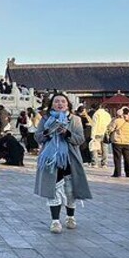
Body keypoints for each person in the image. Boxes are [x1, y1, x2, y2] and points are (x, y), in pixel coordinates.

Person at [35, 93, 92, 233]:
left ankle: (70, 217)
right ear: (51, 104)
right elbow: (38, 136)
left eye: (63, 102)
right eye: (56, 102)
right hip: (50, 160)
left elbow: (80, 139)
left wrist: (66, 133)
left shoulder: (75, 120)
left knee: (70, 189)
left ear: (68, 105)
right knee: (53, 190)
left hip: (70, 158)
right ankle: (55, 221)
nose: (60, 104)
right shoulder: (45, 119)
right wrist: (48, 132)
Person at [106, 107, 129, 178]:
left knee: (117, 158)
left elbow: (110, 129)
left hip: (117, 141)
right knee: (128, 158)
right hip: (127, 142)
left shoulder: (117, 121)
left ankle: (117, 173)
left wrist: (114, 119)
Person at [91, 104, 111, 168]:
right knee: (105, 148)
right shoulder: (107, 114)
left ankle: (95, 163)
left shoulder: (96, 114)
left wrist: (92, 135)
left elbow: (94, 125)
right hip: (105, 133)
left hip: (97, 133)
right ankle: (104, 163)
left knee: (94, 148)